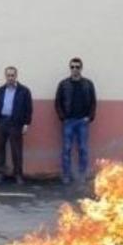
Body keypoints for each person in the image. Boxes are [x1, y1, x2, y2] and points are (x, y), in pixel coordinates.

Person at [54, 57, 97, 185]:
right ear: (70, 68)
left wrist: (89, 117)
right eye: (72, 67)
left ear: (81, 68)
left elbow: (93, 102)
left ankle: (82, 175)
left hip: (83, 121)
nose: (74, 69)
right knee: (66, 149)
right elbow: (57, 102)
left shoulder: (88, 84)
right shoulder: (63, 84)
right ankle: (66, 175)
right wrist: (63, 117)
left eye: (77, 67)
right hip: (69, 121)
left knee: (83, 149)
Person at [0, 66, 33, 185]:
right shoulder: (0, 91)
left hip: (16, 123)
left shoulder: (24, 91)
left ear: (16, 76)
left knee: (16, 150)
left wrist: (26, 124)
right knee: (0, 149)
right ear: (5, 76)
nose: (10, 78)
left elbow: (28, 109)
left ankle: (18, 175)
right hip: (2, 122)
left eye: (12, 75)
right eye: (8, 75)